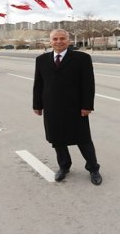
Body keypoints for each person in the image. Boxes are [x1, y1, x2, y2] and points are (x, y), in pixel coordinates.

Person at [32, 29, 102, 185]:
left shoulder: (82, 58)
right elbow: (38, 84)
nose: (58, 41)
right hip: (52, 107)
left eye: (62, 38)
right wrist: (37, 105)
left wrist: (87, 106)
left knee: (83, 139)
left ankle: (93, 168)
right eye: (55, 39)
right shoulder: (41, 60)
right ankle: (64, 166)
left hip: (76, 108)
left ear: (68, 40)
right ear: (50, 41)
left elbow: (88, 85)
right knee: (57, 139)